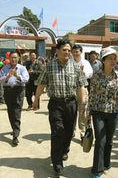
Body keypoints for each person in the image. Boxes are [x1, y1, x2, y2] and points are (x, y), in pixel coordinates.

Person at [33, 39, 88, 177]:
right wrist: (36, 99)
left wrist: (82, 104)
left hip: (71, 104)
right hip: (56, 103)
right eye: (64, 50)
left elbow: (81, 86)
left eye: (69, 50)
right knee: (58, 131)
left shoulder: (75, 67)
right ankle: (57, 163)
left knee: (69, 132)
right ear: (57, 51)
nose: (67, 52)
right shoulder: (49, 66)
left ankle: (65, 150)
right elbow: (41, 84)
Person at [89, 47, 118, 178]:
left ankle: (106, 164)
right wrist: (87, 114)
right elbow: (92, 96)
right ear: (103, 60)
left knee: (109, 141)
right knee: (100, 140)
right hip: (98, 112)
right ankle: (97, 169)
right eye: (110, 58)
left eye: (115, 59)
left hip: (113, 112)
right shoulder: (96, 76)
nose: (113, 61)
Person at [0, 52, 29, 146]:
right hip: (8, 91)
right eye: (12, 58)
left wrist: (17, 75)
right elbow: (0, 79)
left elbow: (26, 79)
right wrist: (8, 76)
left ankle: (15, 135)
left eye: (15, 58)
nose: (13, 59)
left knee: (16, 111)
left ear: (18, 58)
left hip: (18, 90)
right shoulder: (5, 68)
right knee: (10, 111)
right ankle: (14, 128)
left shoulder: (22, 68)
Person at [71, 44, 93, 140]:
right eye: (74, 51)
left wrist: (82, 73)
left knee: (82, 111)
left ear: (81, 52)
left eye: (77, 51)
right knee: (71, 111)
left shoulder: (85, 62)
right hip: (71, 89)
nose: (75, 53)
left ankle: (83, 132)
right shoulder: (69, 62)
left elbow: (90, 73)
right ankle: (71, 130)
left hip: (82, 88)